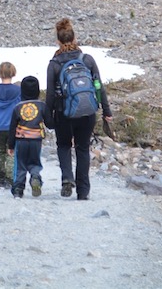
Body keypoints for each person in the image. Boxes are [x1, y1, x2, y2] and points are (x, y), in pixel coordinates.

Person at [44, 17, 113, 201]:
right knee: (82, 148)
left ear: (58, 41)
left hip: (63, 113)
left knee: (63, 145)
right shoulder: (87, 60)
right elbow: (98, 86)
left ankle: (67, 178)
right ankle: (83, 191)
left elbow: (50, 94)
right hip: (87, 112)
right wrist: (106, 111)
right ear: (75, 38)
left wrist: (48, 117)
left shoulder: (54, 64)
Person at [7, 75, 49, 198]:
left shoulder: (17, 107)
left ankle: (18, 188)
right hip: (36, 140)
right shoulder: (42, 106)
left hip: (21, 140)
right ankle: (35, 177)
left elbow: (12, 128)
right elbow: (50, 123)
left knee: (21, 164)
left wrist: (11, 145)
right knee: (35, 162)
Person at [0, 61, 20, 189]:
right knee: (11, 151)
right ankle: (10, 178)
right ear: (13, 73)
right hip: (12, 126)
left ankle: (0, 178)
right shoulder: (18, 90)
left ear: (0, 73)